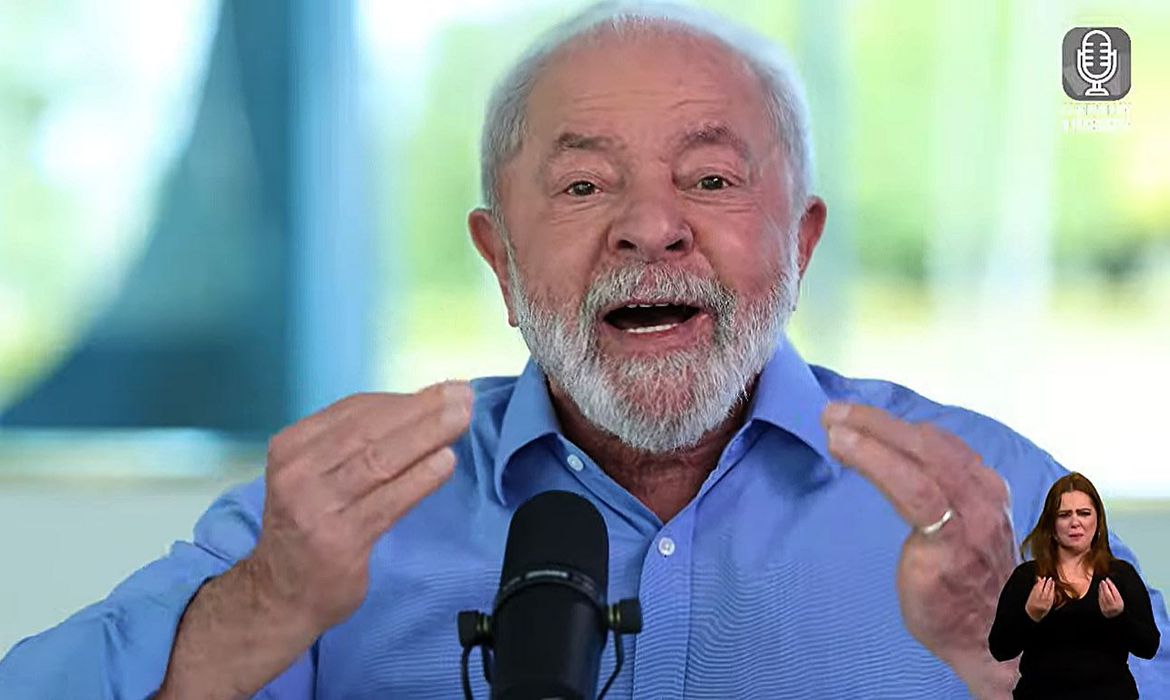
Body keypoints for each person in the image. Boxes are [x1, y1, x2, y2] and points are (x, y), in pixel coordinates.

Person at [1, 2, 1168, 698]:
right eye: (582, 185)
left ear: (802, 242)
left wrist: (1006, 663)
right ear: (502, 260)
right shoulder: (330, 516)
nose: (650, 226)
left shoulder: (990, 501)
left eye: (710, 179)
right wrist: (263, 604)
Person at [989, 473, 1161, 698]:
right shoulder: (1027, 577)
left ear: (1097, 521)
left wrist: (1120, 616)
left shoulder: (1121, 575)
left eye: (1084, 513)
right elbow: (1000, 649)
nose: (1075, 522)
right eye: (1064, 515)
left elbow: (1148, 647)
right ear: (1052, 525)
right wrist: (1030, 615)